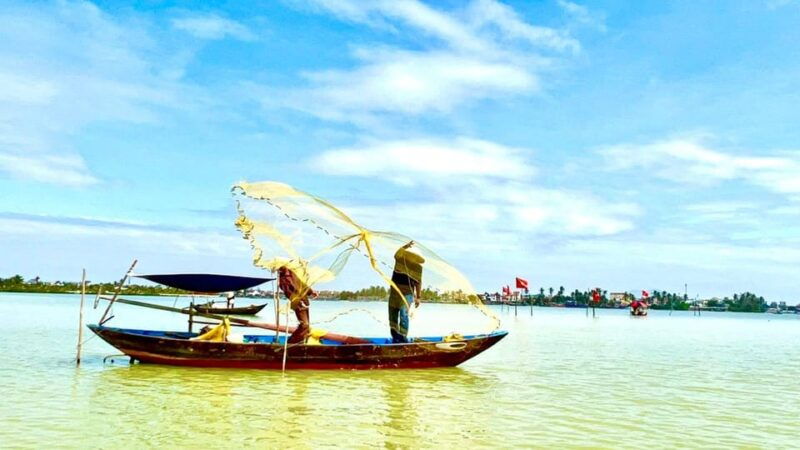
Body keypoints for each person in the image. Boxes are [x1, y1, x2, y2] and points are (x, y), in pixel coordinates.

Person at [388, 241, 425, 343]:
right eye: (410, 255)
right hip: (395, 292)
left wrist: (418, 297)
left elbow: (418, 282)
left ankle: (403, 337)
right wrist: (405, 246)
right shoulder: (400, 260)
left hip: (407, 293)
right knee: (393, 314)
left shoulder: (418, 268)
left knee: (404, 314)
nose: (412, 257)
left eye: (414, 256)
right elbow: (396, 254)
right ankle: (395, 337)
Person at [277, 265, 317, 344]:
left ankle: (301, 342)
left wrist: (311, 292)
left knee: (306, 326)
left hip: (304, 300)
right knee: (304, 325)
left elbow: (302, 284)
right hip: (298, 303)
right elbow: (288, 293)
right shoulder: (283, 279)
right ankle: (291, 343)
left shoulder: (293, 274)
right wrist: (298, 301)